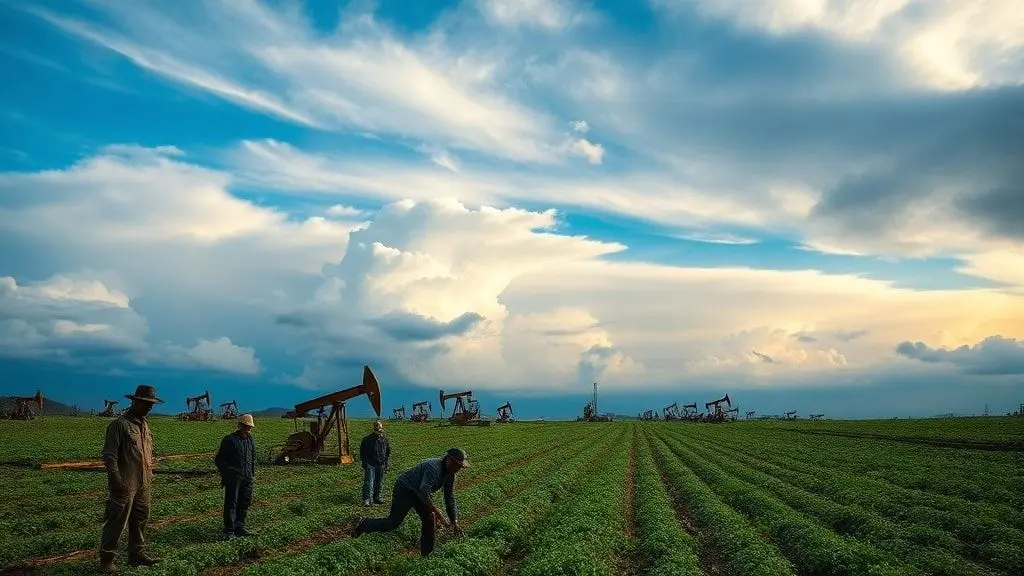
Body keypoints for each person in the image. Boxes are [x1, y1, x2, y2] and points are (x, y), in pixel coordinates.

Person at [353, 447, 468, 556]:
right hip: (405, 489)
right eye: (457, 465)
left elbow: (449, 498)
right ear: (449, 460)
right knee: (393, 522)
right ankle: (363, 523)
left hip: (418, 493)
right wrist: (438, 513)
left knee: (429, 520)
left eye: (460, 467)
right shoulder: (434, 468)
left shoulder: (450, 475)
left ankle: (427, 554)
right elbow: (424, 491)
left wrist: (454, 521)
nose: (458, 469)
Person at [99, 384, 162, 573]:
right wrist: (116, 480)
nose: (149, 407)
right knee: (117, 520)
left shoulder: (144, 425)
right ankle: (108, 559)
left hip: (144, 481)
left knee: (141, 518)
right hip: (125, 482)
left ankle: (137, 554)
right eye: (146, 403)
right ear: (135, 402)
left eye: (151, 404)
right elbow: (110, 456)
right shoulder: (119, 425)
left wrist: (150, 471)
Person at [214, 413, 257, 540]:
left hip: (247, 476)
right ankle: (229, 530)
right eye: (246, 426)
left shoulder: (250, 439)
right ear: (240, 426)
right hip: (234, 477)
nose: (248, 429)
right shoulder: (229, 440)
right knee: (231, 502)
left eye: (249, 427)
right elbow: (219, 459)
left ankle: (240, 527)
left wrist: (252, 474)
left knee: (245, 501)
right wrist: (227, 473)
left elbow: (252, 457)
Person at [359, 420, 391, 505]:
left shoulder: (384, 439)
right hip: (370, 463)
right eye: (377, 427)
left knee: (379, 482)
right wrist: (365, 463)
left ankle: (377, 498)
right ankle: (366, 499)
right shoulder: (367, 439)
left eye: (380, 427)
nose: (379, 429)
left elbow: (387, 452)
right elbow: (362, 452)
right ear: (374, 428)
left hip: (381, 463)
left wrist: (386, 464)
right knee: (369, 482)